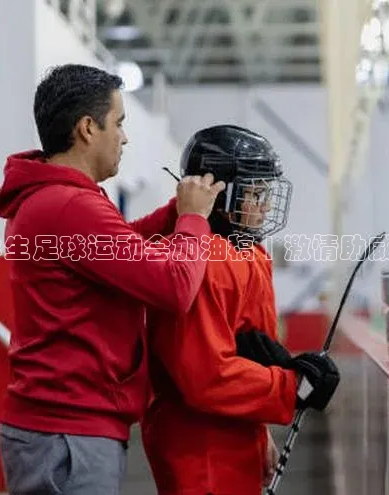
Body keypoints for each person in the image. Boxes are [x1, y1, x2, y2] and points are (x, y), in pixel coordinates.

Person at [0, 63, 225, 494]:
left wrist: (175, 212)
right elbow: (174, 288)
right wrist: (193, 220)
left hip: (59, 431)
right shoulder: (69, 207)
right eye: (118, 123)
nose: (125, 136)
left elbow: (118, 247)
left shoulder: (52, 199)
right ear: (87, 128)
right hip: (68, 436)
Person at [140, 124, 341, 495]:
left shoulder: (251, 254)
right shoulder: (204, 261)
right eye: (256, 192)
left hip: (235, 437)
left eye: (267, 192)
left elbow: (248, 352)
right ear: (220, 195)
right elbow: (205, 377)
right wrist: (289, 387)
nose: (265, 205)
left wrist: (260, 426)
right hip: (201, 448)